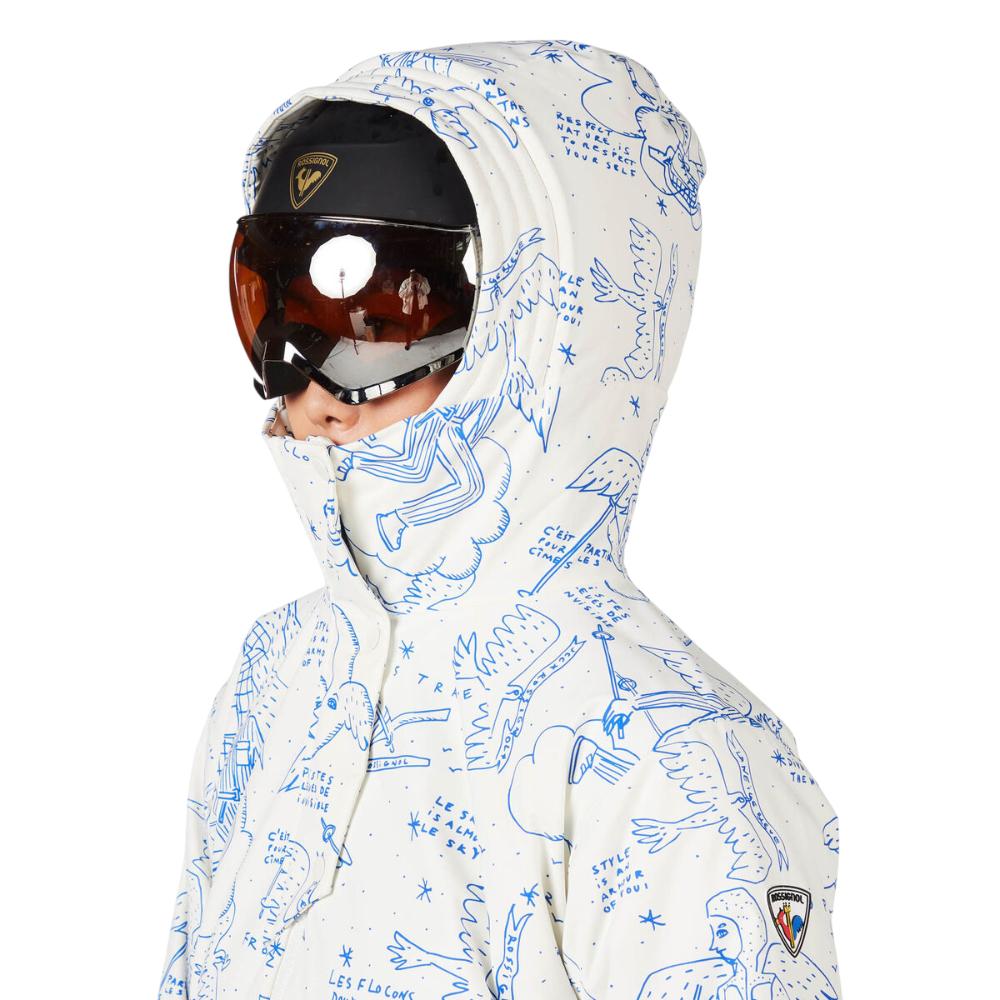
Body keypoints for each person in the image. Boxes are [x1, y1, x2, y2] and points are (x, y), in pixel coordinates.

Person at [158, 41, 842, 999]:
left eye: (380, 322)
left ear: (542, 327)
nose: (311, 392)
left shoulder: (674, 751)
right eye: (280, 312)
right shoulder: (276, 677)